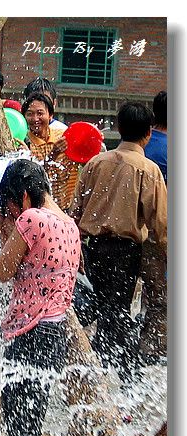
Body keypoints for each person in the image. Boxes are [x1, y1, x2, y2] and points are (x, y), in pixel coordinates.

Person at [0, 158, 81, 436]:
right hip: (56, 336)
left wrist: (7, 231)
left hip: (28, 336)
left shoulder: (31, 221)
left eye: (12, 205)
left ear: (25, 196)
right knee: (31, 434)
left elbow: (1, 270)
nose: (13, 213)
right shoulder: (70, 225)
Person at [69, 102, 167, 384]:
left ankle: (98, 367)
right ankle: (124, 375)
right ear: (148, 134)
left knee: (104, 308)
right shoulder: (148, 170)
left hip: (94, 249)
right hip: (126, 251)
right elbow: (160, 222)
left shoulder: (95, 163)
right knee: (118, 310)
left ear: (118, 128)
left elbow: (76, 211)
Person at [138, 91, 167, 365]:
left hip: (126, 235)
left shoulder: (139, 142)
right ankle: (150, 353)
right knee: (160, 301)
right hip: (157, 237)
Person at [22, 93, 78, 211]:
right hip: (41, 211)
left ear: (51, 115)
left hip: (67, 208)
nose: (35, 119)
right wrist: (53, 155)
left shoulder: (64, 136)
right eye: (30, 114)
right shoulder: (24, 144)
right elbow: (36, 179)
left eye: (40, 113)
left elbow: (84, 162)